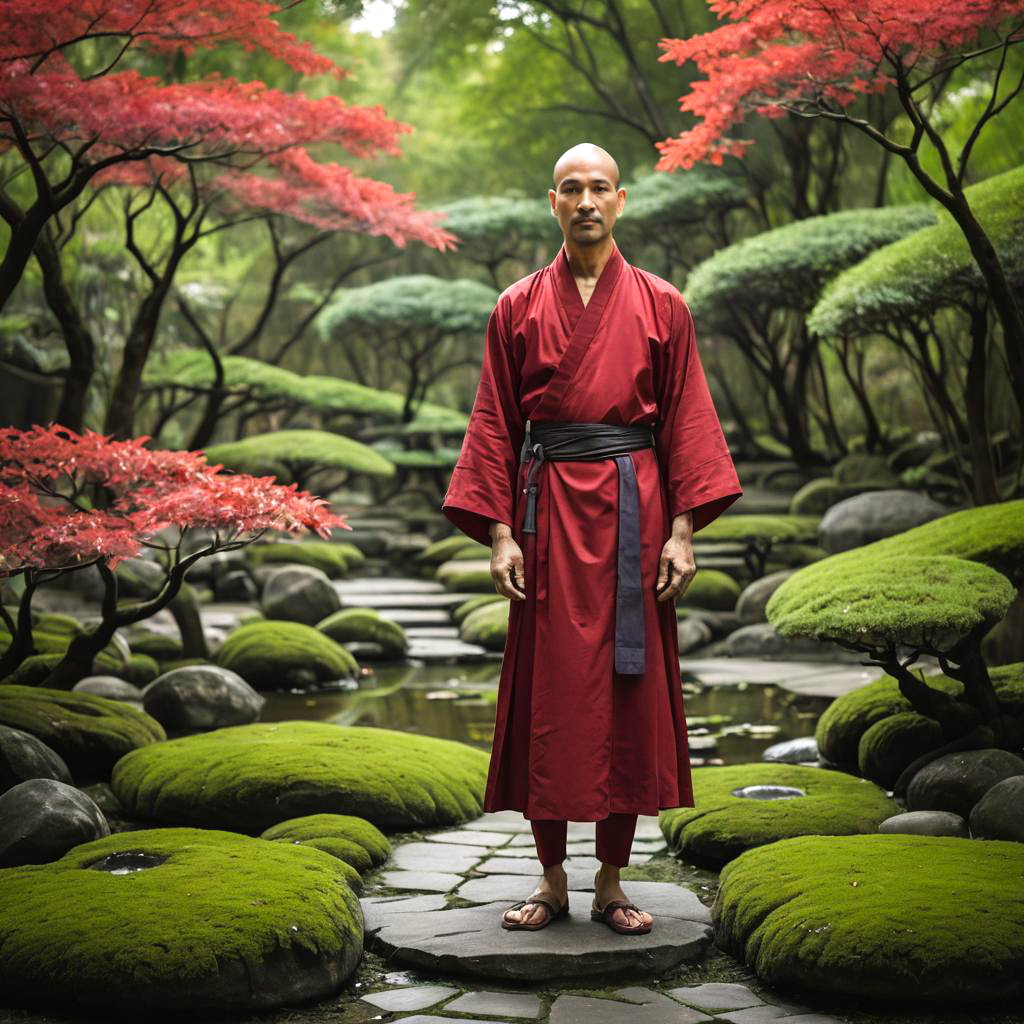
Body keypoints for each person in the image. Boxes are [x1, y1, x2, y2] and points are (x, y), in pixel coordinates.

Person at [440, 143, 742, 935]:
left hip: (635, 513)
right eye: (570, 188)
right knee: (549, 692)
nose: (585, 201)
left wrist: (682, 532)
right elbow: (495, 423)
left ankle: (611, 882)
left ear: (622, 200)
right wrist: (500, 535)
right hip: (546, 519)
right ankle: (550, 880)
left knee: (627, 695)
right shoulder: (515, 305)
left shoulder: (662, 303)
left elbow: (686, 420)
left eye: (598, 188)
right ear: (552, 203)